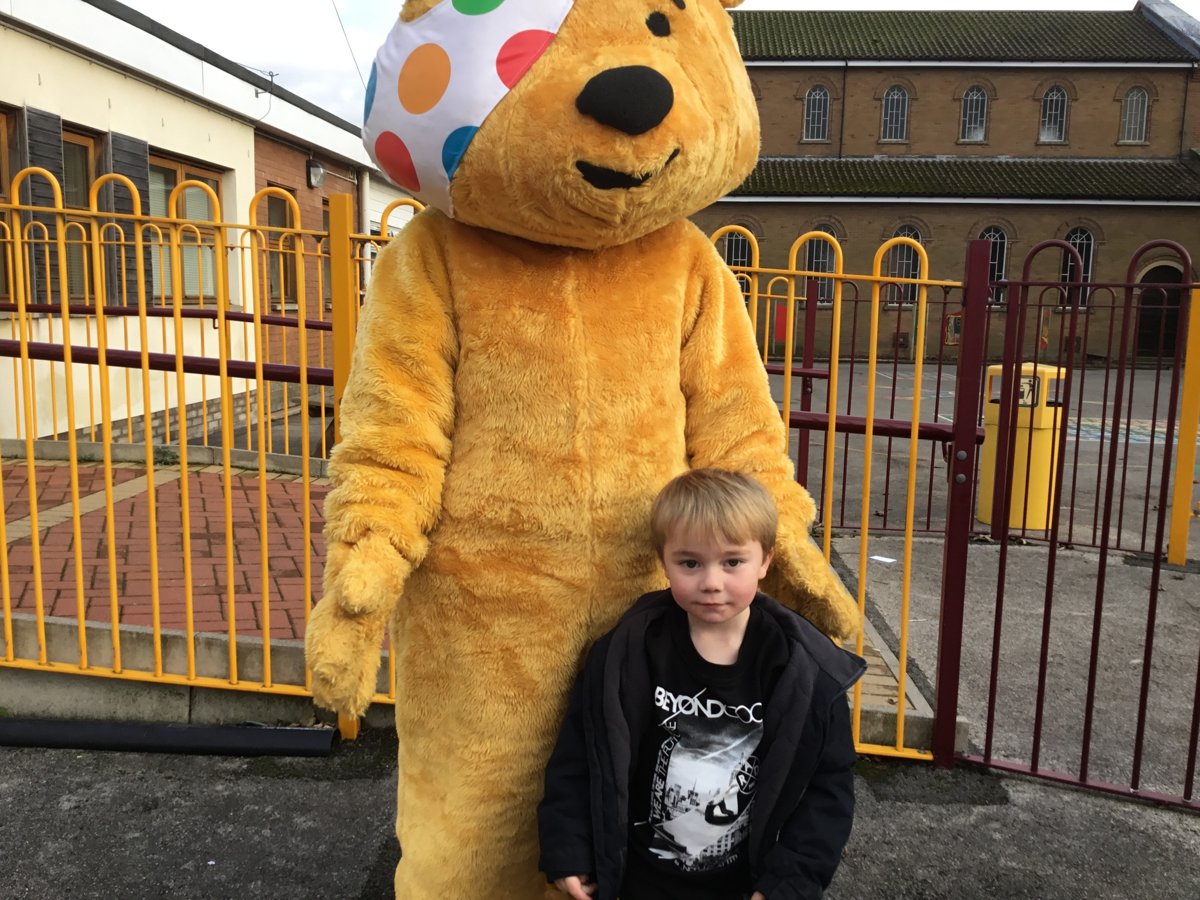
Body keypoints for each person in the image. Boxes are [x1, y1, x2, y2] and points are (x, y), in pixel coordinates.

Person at [538, 468, 866, 900]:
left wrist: (789, 884)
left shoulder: (804, 671)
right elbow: (580, 757)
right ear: (664, 561)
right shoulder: (625, 653)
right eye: (690, 563)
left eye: (732, 562)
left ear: (765, 560)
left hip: (746, 885)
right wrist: (570, 849)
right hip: (636, 882)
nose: (711, 582)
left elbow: (826, 790)